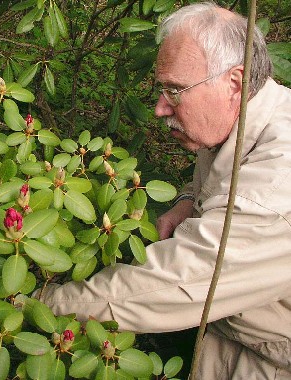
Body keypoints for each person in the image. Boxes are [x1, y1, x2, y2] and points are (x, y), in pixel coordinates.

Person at [37, 2, 291, 378]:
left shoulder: (276, 188)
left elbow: (169, 286)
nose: (158, 108)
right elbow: (224, 176)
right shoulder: (247, 118)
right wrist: (189, 199)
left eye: (175, 91)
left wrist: (42, 304)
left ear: (234, 83)